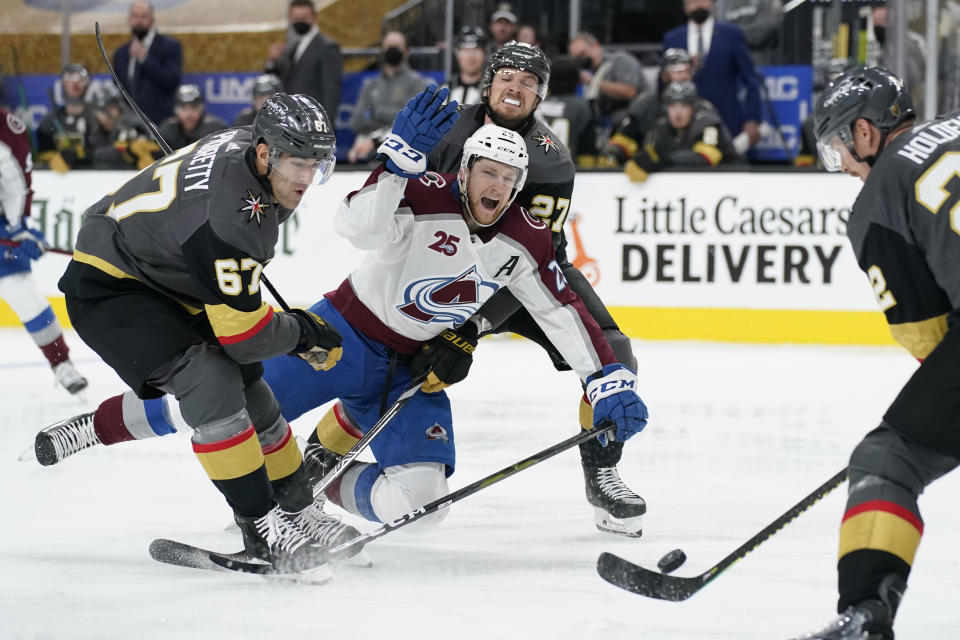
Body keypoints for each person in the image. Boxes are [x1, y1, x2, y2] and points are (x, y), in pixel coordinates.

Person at [49, 93, 355, 576]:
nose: (306, 177)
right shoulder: (233, 215)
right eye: (297, 163)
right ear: (264, 153)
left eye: (316, 164)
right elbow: (245, 337)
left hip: (168, 277)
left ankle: (297, 508)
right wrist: (303, 333)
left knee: (253, 392)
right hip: (112, 289)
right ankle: (262, 528)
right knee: (210, 379)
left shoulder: (247, 157)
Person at [428, 41, 648, 537]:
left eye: (530, 82)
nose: (516, 88)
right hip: (443, 265)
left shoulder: (551, 163)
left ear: (541, 95)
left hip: (532, 273)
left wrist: (474, 323)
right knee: (401, 356)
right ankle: (317, 462)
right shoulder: (444, 127)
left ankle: (603, 473)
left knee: (612, 353)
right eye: (507, 76)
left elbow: (524, 266)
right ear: (488, 84)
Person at [791, 66, 955, 640]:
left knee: (888, 461)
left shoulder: (880, 195)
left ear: (865, 133)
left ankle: (866, 613)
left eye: (840, 150)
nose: (845, 167)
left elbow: (925, 334)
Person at [0, 106, 88, 394]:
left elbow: (15, 185)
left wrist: (17, 227)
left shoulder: (6, 126)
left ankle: (61, 363)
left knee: (23, 293)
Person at [663, 0, 763, 153]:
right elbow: (663, 82)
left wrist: (752, 119)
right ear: (685, 7)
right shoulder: (672, 38)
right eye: (692, 2)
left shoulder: (732, 34)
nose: (698, 5)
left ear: (711, 3)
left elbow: (750, 79)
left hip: (728, 119)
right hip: (685, 125)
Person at [621, 81, 737, 183]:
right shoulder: (661, 127)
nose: (678, 113)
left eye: (683, 106)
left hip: (729, 183)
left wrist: (664, 160)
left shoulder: (707, 124)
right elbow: (652, 154)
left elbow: (706, 158)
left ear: (693, 108)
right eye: (672, 106)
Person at [606, 48, 705, 165]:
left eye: (688, 71)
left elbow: (708, 150)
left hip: (690, 173)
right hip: (647, 174)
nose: (684, 76)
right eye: (678, 71)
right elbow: (625, 139)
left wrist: (664, 161)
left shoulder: (702, 106)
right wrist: (615, 155)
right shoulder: (646, 104)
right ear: (664, 75)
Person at [347, 31, 429, 164]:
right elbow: (359, 121)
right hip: (370, 154)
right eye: (389, 47)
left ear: (406, 52)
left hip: (403, 155)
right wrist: (392, 116)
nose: (392, 51)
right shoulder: (371, 85)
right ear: (382, 50)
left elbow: (410, 121)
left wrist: (378, 112)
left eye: (397, 47)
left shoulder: (418, 83)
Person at [264, 0, 342, 118]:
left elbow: (331, 91)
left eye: (304, 17)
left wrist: (325, 124)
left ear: (314, 17)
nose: (300, 21)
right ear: (290, 19)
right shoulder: (290, 48)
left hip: (313, 121)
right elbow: (278, 82)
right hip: (290, 120)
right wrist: (272, 61)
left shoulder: (328, 47)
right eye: (295, 18)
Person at [112, 0, 183, 126]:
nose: (139, 21)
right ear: (129, 20)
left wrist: (145, 60)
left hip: (161, 125)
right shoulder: (121, 53)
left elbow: (171, 81)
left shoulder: (170, 46)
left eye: (144, 16)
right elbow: (119, 88)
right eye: (135, 16)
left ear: (152, 19)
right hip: (131, 126)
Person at [567, 32, 646, 128]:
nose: (582, 60)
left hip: (627, 124)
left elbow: (630, 91)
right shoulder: (586, 72)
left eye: (583, 54)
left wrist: (592, 81)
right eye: (577, 58)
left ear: (596, 46)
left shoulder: (620, 61)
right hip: (600, 125)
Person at [36, 64, 98, 173]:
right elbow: (41, 152)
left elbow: (104, 152)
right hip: (57, 177)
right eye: (70, 79)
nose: (75, 84)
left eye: (80, 80)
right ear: (63, 85)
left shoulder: (96, 118)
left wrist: (82, 156)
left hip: (92, 176)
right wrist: (53, 157)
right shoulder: (50, 120)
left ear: (87, 85)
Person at [538, 55, 598, 164]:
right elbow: (587, 151)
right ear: (577, 80)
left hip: (533, 171)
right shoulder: (582, 107)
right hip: (568, 171)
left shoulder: (535, 104)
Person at [157, 84, 228, 150]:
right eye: (184, 108)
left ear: (202, 109)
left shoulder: (216, 129)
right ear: (176, 110)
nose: (189, 114)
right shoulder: (168, 130)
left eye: (194, 107)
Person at [716, 0, 783, 66]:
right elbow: (716, 32)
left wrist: (731, 34)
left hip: (759, 63)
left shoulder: (767, 2)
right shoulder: (722, 3)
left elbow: (759, 34)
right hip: (726, 63)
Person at [443, 26, 487, 107]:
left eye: (476, 50)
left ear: (484, 54)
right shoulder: (443, 91)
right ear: (457, 54)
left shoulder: (493, 91)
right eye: (466, 50)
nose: (471, 57)